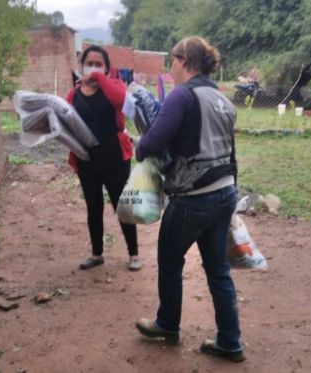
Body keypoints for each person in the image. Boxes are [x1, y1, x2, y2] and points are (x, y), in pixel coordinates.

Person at [134, 36, 245, 362]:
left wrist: (139, 146)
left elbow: (153, 142)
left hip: (193, 198)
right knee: (218, 271)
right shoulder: (220, 98)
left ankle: (168, 324)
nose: (171, 67)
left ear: (184, 61)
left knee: (169, 262)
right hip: (224, 192)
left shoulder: (182, 96)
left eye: (173, 60)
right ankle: (230, 342)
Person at [66, 45, 141, 271]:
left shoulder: (115, 86)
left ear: (107, 68)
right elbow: (66, 122)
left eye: (100, 64)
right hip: (87, 160)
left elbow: (121, 102)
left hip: (115, 158)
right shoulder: (74, 93)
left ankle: (133, 254)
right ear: (82, 66)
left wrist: (100, 78)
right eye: (90, 63)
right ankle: (97, 253)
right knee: (93, 207)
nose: (94, 67)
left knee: (122, 205)